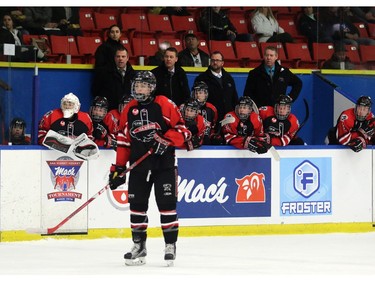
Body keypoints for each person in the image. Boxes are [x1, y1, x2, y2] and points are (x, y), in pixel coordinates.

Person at [108, 70, 191, 266]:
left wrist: (166, 140)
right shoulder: (129, 108)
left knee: (167, 206)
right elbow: (123, 140)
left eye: (143, 85)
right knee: (137, 208)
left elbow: (183, 130)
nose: (139, 89)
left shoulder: (164, 104)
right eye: (137, 85)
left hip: (164, 166)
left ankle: (170, 245)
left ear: (152, 87)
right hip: (139, 166)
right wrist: (118, 169)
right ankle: (139, 246)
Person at [194, 51, 239, 123]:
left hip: (228, 118)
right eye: (213, 60)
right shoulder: (202, 78)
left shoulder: (228, 78)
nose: (215, 62)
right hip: (210, 118)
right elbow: (196, 99)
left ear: (222, 63)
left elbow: (234, 98)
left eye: (217, 60)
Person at [92, 45, 136, 111]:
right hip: (110, 111)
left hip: (128, 110)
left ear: (127, 58)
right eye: (118, 56)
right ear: (114, 58)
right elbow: (96, 90)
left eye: (123, 56)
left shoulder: (133, 74)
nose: (120, 59)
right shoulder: (104, 73)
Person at [190, 81, 220, 145]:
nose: (198, 95)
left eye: (200, 93)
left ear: (206, 94)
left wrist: (213, 136)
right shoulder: (187, 107)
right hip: (192, 140)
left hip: (207, 141)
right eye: (196, 93)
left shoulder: (212, 108)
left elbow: (213, 126)